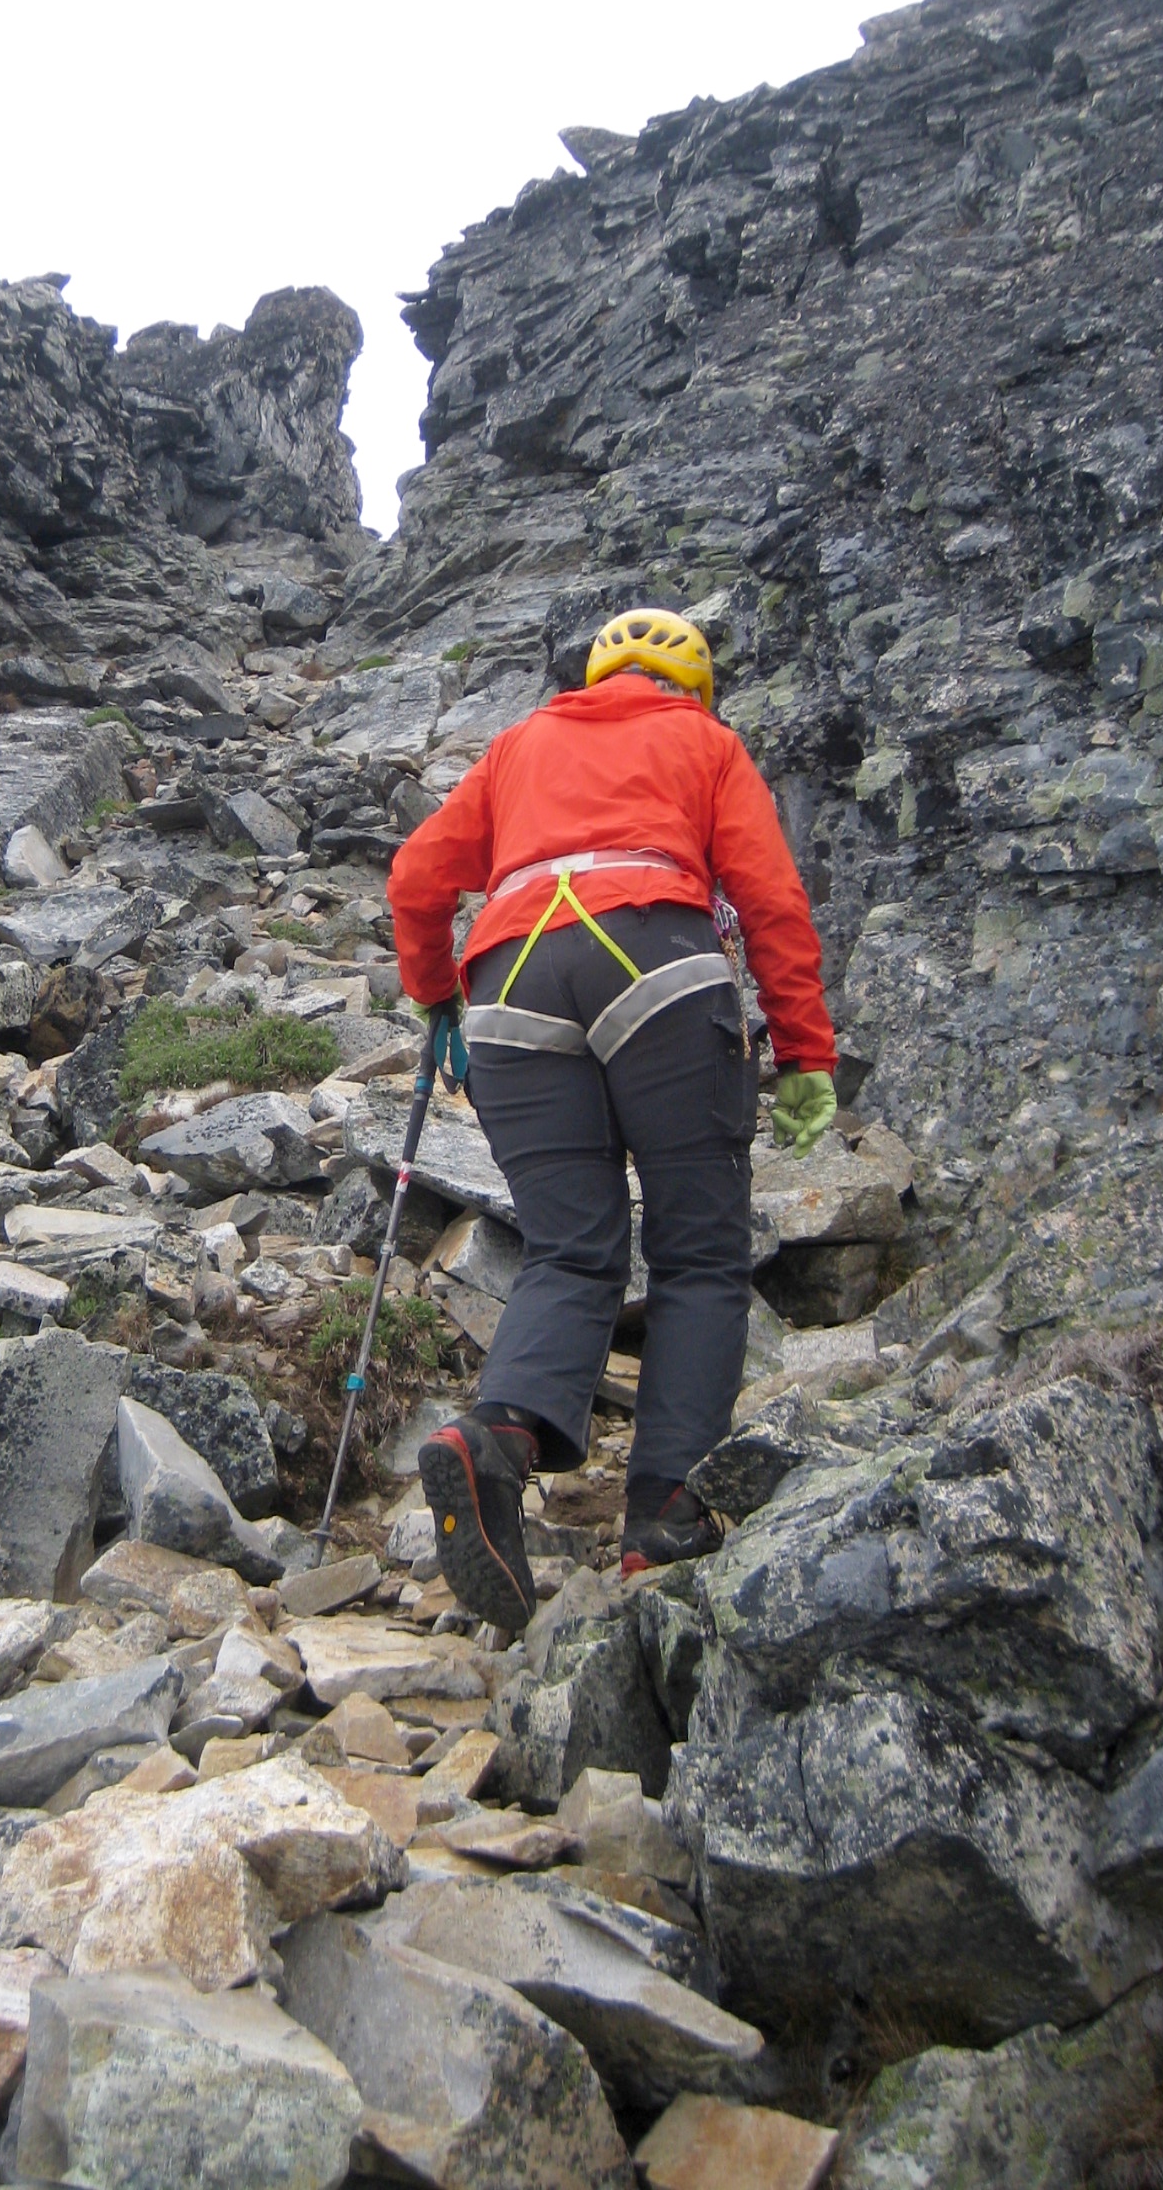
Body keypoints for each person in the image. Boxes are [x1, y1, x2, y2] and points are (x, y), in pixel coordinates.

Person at [387, 607, 838, 1626]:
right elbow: (769, 902)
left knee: (571, 1249)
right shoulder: (704, 742)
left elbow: (417, 877)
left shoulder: (518, 745)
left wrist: (436, 997)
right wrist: (807, 1053)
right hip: (659, 968)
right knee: (699, 1256)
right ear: (694, 685)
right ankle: (664, 1515)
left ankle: (495, 1436)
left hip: (509, 984)